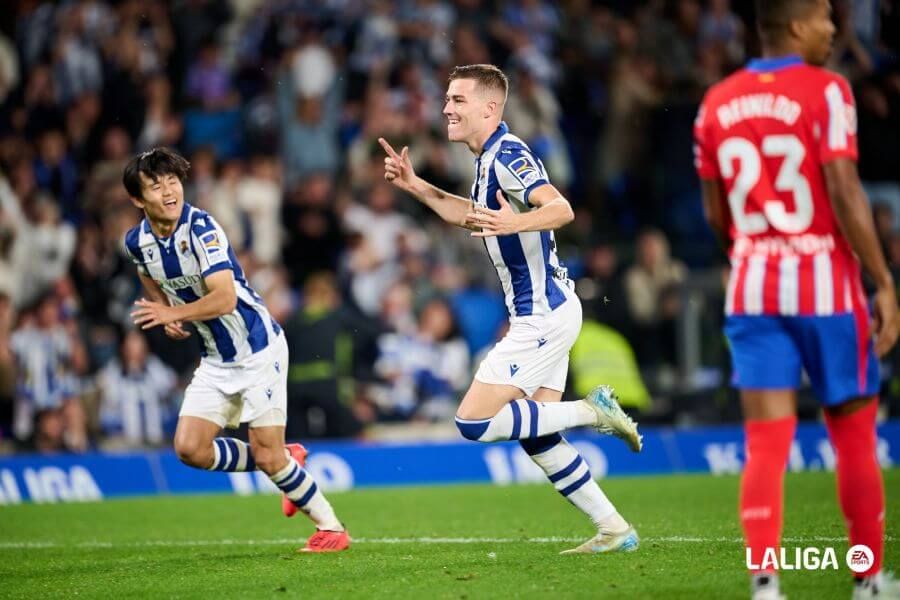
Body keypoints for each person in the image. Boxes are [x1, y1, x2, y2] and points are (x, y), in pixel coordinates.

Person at [380, 64, 642, 555]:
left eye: (458, 100)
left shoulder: (510, 154)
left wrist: (512, 225)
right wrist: (416, 186)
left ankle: (591, 410)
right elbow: (469, 214)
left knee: (474, 422)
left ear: (489, 108)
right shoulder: (486, 161)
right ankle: (615, 529)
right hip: (551, 311)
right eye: (446, 99)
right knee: (539, 434)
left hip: (542, 315)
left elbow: (561, 208)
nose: (446, 109)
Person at [693, 1, 900, 598]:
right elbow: (843, 187)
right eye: (825, 17)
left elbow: (715, 213)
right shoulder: (827, 91)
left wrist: (756, 251)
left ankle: (766, 587)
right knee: (855, 435)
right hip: (827, 289)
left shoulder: (716, 102)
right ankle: (866, 581)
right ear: (795, 25)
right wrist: (882, 278)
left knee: (765, 442)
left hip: (753, 287)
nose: (835, 29)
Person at [122, 148, 349, 553]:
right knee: (189, 448)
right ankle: (285, 458)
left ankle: (331, 528)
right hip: (216, 358)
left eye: (173, 181)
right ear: (138, 200)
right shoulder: (137, 242)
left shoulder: (202, 229)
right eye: (155, 186)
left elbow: (224, 298)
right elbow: (146, 273)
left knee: (267, 455)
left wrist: (176, 311)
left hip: (258, 349)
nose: (169, 191)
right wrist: (167, 312)